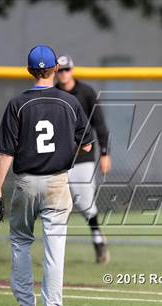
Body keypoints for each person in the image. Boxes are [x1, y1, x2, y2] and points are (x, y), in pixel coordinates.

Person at [0, 45, 94, 306]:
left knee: (21, 242)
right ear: (56, 69)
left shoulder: (17, 104)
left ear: (29, 71)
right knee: (55, 248)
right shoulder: (70, 102)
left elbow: (5, 152)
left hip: (26, 182)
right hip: (58, 183)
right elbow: (88, 145)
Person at [55, 55, 111, 264]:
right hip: (58, 159)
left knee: (85, 203)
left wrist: (105, 153)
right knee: (55, 205)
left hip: (84, 157)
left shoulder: (86, 92)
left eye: (66, 70)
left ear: (73, 69)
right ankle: (54, 251)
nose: (63, 74)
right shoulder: (53, 93)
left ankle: (98, 239)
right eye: (60, 70)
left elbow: (100, 125)